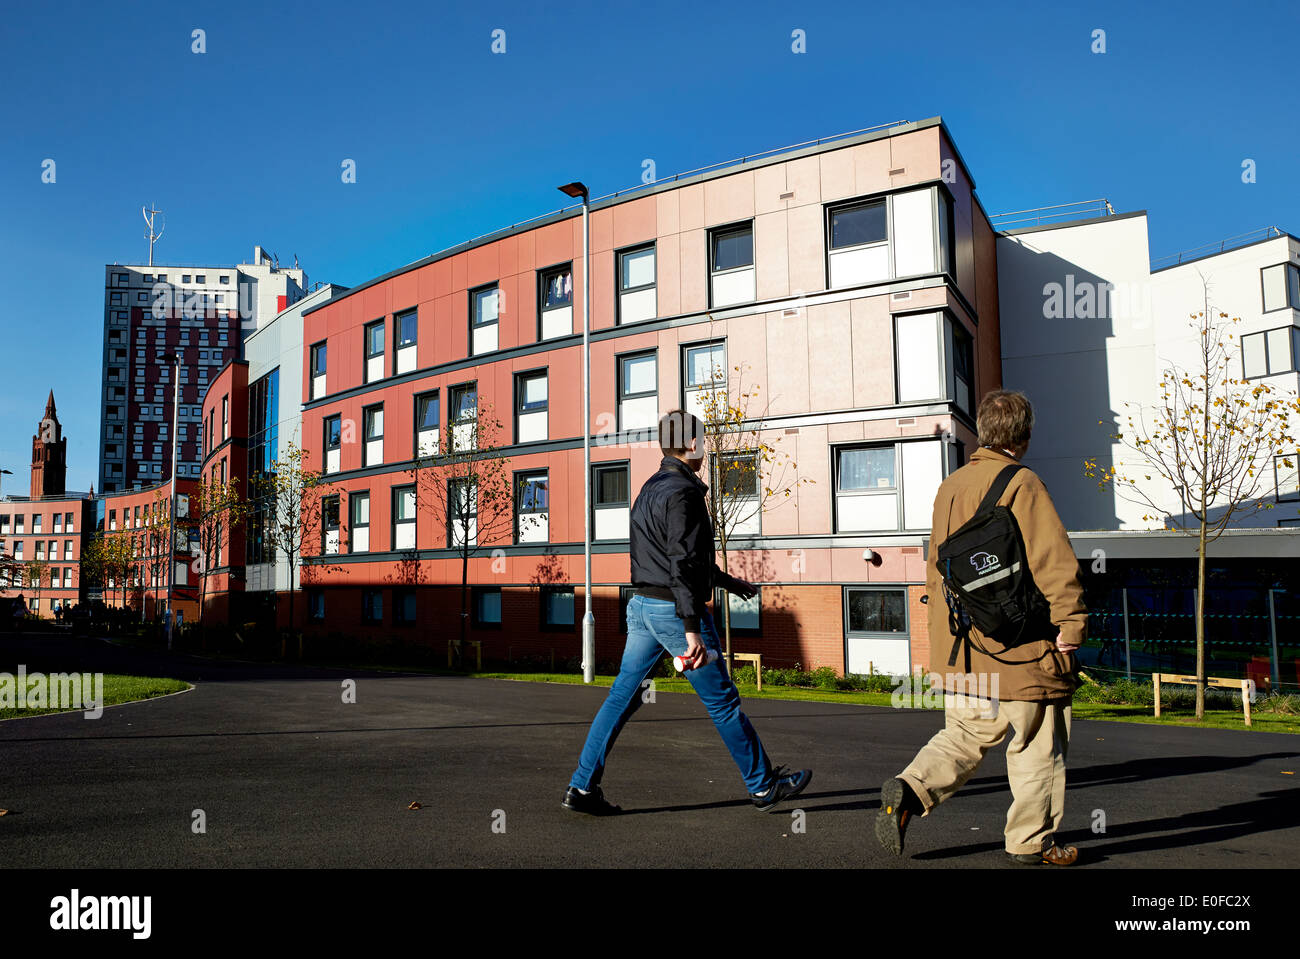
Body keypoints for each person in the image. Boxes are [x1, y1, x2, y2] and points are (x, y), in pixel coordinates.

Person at [564, 409, 812, 815]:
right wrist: (692, 627)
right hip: (675, 614)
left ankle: (582, 788)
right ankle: (764, 787)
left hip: (642, 608)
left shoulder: (649, 489)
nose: (707, 445)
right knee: (723, 702)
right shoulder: (684, 492)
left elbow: (676, 559)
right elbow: (681, 563)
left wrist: (730, 583)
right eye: (704, 439)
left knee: (619, 700)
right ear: (692, 444)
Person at [875, 390, 1087, 865]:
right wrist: (1071, 624)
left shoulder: (951, 486)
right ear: (1025, 435)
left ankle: (910, 790)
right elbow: (1051, 561)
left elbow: (938, 568)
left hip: (964, 646)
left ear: (983, 432)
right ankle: (1032, 842)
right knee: (1036, 745)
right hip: (1022, 644)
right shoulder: (1023, 482)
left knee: (965, 734)